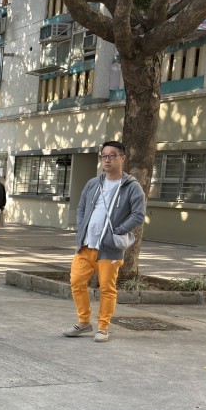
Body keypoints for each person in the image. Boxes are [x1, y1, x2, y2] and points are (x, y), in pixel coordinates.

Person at [63, 140, 145, 343]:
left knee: (107, 288)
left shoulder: (132, 187)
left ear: (122, 158)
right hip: (86, 244)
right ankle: (84, 322)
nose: (107, 160)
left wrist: (117, 231)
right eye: (104, 156)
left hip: (109, 248)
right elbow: (81, 206)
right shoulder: (93, 183)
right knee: (76, 282)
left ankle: (103, 327)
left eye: (112, 155)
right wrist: (81, 227)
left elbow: (138, 215)